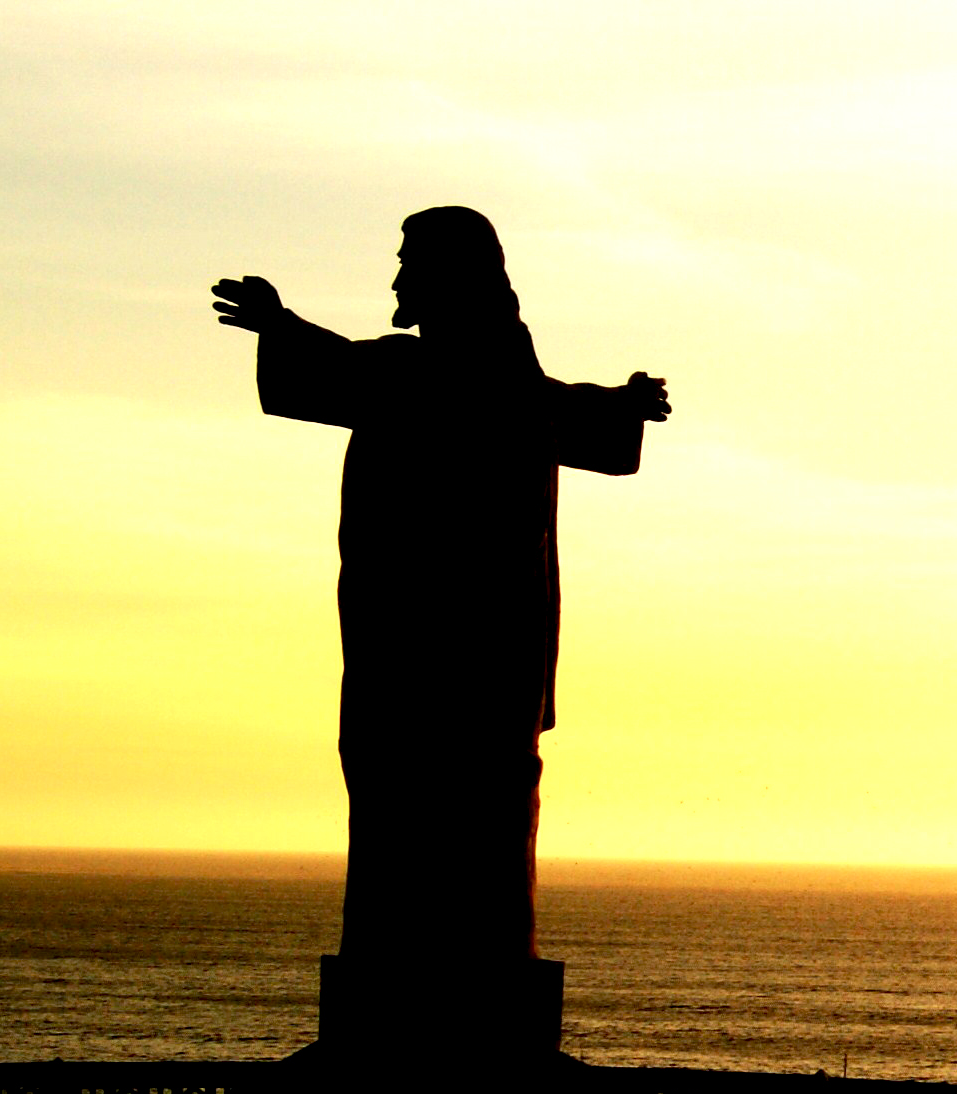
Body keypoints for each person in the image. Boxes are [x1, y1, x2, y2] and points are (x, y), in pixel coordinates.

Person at [212, 207, 668, 964]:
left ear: (449, 280)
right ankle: (457, 967)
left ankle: (423, 976)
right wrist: (621, 402)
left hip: (431, 658)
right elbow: (569, 407)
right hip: (467, 657)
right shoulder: (501, 388)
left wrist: (277, 323)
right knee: (451, 809)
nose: (398, 280)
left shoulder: (436, 380)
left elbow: (340, 368)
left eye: (409, 264)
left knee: (430, 808)